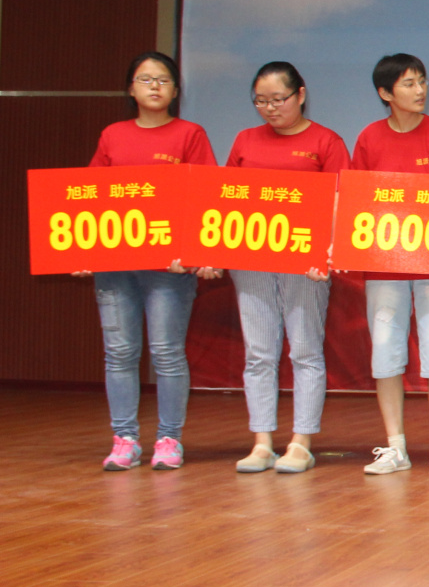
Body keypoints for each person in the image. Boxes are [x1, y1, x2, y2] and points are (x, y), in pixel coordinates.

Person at [86, 52, 218, 471]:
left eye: (163, 79)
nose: (155, 86)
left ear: (176, 90)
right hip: (115, 264)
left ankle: (169, 438)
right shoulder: (112, 135)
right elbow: (89, 194)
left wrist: (200, 253)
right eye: (145, 79)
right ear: (131, 89)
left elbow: (205, 194)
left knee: (166, 352)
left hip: (170, 267)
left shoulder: (189, 134)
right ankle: (124, 438)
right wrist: (81, 251)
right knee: (119, 352)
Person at [349, 53, 429, 477]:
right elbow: (356, 199)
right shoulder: (369, 138)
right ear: (385, 93)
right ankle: (395, 447)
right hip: (384, 266)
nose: (420, 90)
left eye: (422, 81)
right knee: (385, 351)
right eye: (408, 84)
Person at [224, 61, 349, 474]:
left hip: (305, 263)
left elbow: (341, 200)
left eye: (278, 99)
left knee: (305, 349)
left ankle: (301, 442)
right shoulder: (245, 140)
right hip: (252, 260)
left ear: (300, 94)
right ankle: (262, 442)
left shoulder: (325, 141)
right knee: (259, 352)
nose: (270, 108)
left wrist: (328, 253)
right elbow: (226, 197)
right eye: (261, 101)